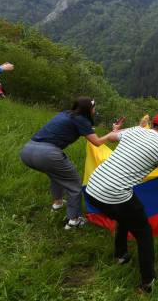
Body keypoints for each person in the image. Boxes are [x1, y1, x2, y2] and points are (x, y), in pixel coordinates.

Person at [84, 112, 158, 293]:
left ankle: (121, 256)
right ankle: (148, 282)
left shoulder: (136, 131)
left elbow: (113, 136)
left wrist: (114, 132)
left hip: (92, 189)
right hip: (114, 194)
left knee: (125, 216)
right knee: (144, 232)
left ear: (153, 125)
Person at [20, 97, 124, 229]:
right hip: (47, 154)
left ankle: (57, 203)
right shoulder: (81, 120)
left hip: (27, 150)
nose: (95, 110)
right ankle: (74, 220)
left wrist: (114, 130)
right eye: (94, 107)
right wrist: (111, 134)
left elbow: (90, 133)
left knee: (56, 175)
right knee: (74, 184)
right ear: (89, 109)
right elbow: (97, 142)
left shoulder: (66, 114)